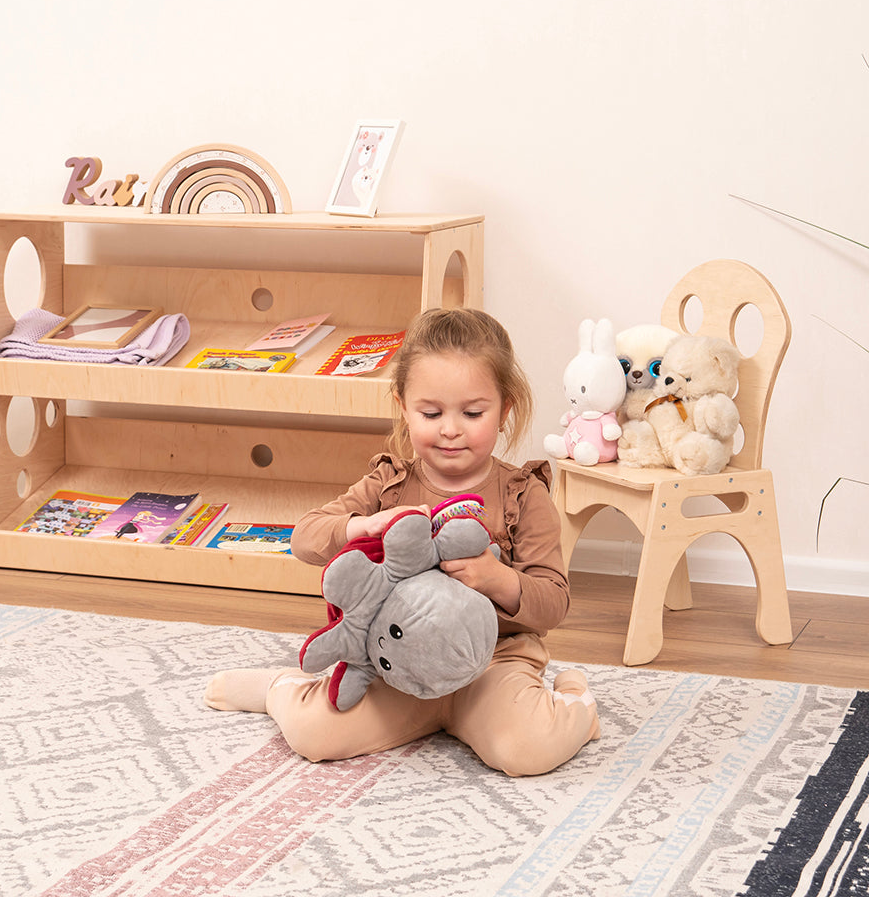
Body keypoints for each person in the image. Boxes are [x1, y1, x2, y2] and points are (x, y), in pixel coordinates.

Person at [204, 307, 600, 776]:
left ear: (505, 409)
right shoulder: (389, 484)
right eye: (430, 413)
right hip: (394, 664)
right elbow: (305, 538)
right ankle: (280, 690)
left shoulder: (522, 494)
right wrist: (361, 526)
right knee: (316, 735)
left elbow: (553, 601)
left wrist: (498, 579)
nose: (450, 429)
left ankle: (576, 702)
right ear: (403, 405)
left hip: (492, 665)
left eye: (472, 413)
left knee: (525, 750)